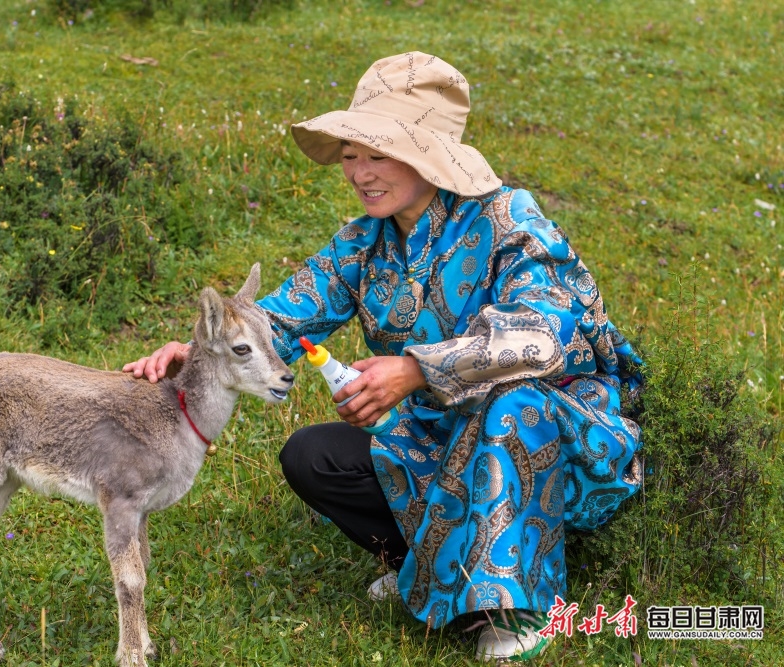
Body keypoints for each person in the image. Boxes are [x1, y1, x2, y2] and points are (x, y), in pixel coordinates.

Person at [123, 52, 643, 662]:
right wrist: (198, 352)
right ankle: (427, 564)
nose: (359, 172)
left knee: (513, 402)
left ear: (429, 155)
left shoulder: (511, 220)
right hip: (437, 434)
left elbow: (541, 337)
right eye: (350, 155)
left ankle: (514, 605)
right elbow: (284, 317)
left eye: (378, 154)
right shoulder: (363, 242)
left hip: (560, 435)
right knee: (311, 456)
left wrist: (417, 368)